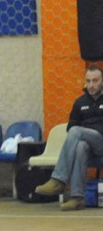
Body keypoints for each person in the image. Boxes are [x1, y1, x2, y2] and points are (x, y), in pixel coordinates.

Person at [33, 66, 103, 211]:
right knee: (80, 147)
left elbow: (74, 130)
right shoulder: (80, 102)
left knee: (76, 131)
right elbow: (71, 125)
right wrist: (84, 134)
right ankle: (77, 198)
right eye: (88, 81)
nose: (91, 85)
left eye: (95, 81)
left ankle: (59, 179)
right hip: (87, 144)